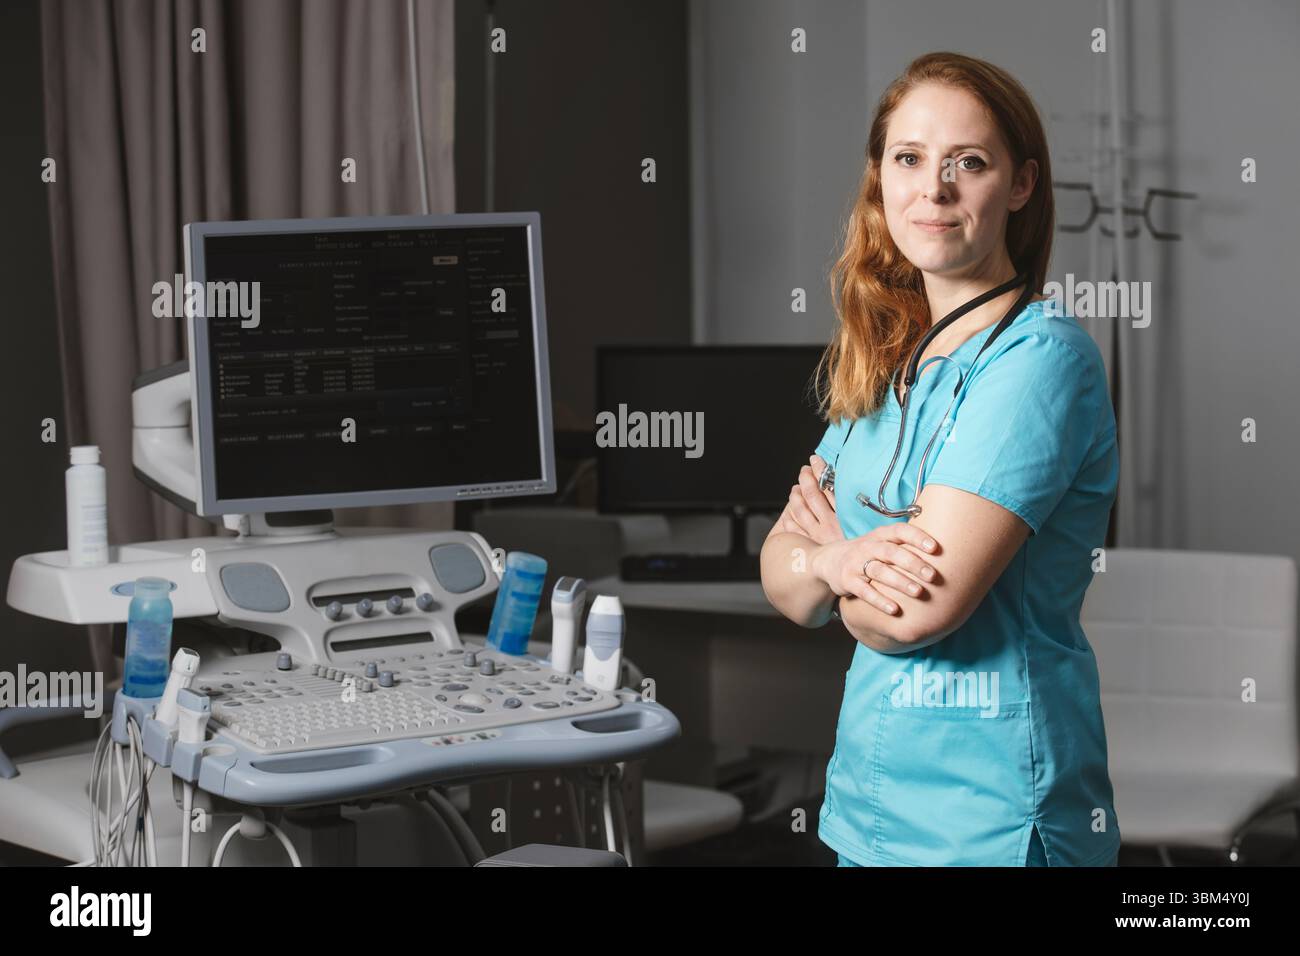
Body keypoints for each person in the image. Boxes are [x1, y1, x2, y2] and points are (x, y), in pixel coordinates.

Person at [760, 51, 1121, 867]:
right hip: (868, 807)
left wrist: (826, 566)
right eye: (910, 159)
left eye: (970, 162)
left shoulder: (1040, 363)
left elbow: (912, 614)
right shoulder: (885, 360)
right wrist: (842, 561)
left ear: (1020, 186)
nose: (936, 188)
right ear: (880, 179)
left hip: (994, 818)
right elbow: (778, 577)